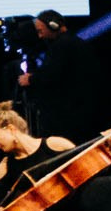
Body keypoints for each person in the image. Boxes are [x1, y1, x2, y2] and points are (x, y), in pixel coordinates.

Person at [23, 11, 106, 145]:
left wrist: (30, 79)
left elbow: (51, 75)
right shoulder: (76, 42)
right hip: (84, 110)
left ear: (53, 26)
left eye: (40, 31)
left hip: (69, 115)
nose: (40, 36)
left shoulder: (61, 46)